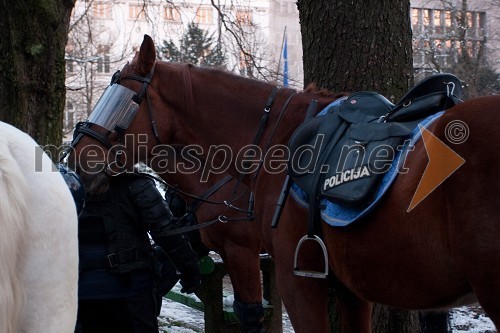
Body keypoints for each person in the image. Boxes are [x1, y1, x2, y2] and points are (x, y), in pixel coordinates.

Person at [75, 172, 201, 333]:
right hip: (131, 294)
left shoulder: (65, 184)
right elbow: (168, 233)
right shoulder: (136, 185)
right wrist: (190, 272)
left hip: (81, 294)